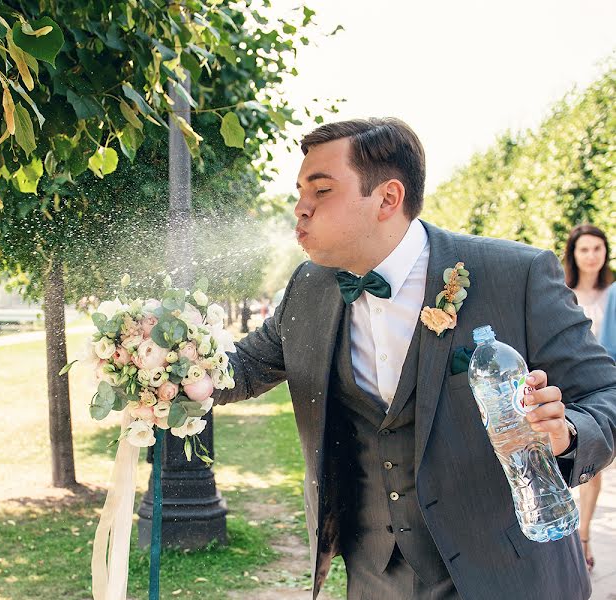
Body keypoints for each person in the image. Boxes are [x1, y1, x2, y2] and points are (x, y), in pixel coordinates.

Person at [215, 118, 616, 600]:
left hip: (510, 574)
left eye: (321, 190)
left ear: (387, 198)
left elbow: (605, 395)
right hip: (374, 578)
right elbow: (244, 368)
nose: (301, 208)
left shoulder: (517, 274)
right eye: (300, 190)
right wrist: (168, 362)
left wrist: (566, 433)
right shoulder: (308, 288)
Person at [563, 224, 615, 572]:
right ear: (574, 253)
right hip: (569, 384)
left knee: (593, 461)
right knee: (569, 456)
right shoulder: (560, 291)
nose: (592, 256)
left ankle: (583, 534)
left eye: (598, 248)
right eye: (585, 249)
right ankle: (569, 535)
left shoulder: (613, 292)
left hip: (606, 385)